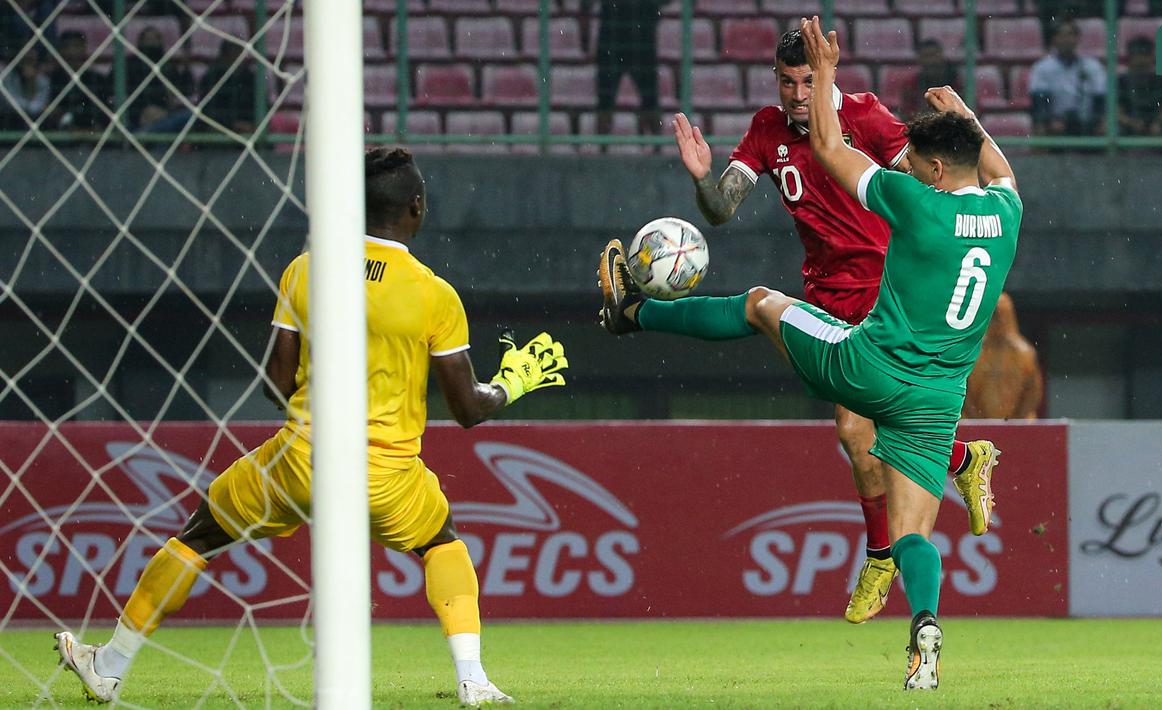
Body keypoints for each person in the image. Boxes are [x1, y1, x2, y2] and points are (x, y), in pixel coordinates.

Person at [54, 147, 568, 706]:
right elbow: (467, 409)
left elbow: (275, 385)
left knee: (200, 534)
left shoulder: (307, 269)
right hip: (388, 475)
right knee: (443, 546)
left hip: (301, 459)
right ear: (416, 209)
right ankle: (473, 679)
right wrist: (512, 383)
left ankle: (109, 665)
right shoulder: (433, 294)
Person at [603, 18, 1020, 689]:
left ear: (933, 170)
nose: (903, 162)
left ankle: (636, 313)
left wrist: (827, 78)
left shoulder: (911, 201)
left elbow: (829, 146)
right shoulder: (1007, 212)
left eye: (915, 160)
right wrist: (968, 116)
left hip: (869, 349)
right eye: (790, 81)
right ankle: (926, 629)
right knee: (916, 529)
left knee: (759, 306)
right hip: (937, 393)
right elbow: (999, 169)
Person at [581, 0, 669, 137]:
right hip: (621, 40)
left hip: (633, 40)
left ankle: (658, 147)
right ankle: (602, 149)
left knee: (649, 100)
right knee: (606, 101)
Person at [962, 293, 1042, 419]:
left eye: (998, 316)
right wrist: (979, 422)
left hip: (1017, 425)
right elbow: (965, 392)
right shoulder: (973, 352)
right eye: (991, 316)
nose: (994, 322)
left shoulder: (1024, 353)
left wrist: (1015, 423)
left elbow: (1033, 393)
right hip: (975, 423)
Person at [1028, 19, 1106, 136]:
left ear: (1077, 39)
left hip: (1088, 125)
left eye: (1070, 35)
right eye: (1061, 35)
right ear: (1054, 39)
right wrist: (1049, 121)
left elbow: (1100, 98)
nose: (1066, 40)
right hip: (1055, 125)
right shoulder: (1042, 68)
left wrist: (1098, 122)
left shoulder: (1092, 66)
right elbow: (1039, 102)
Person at [112, 26, 196, 132]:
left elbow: (185, 91)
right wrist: (142, 113)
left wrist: (186, 68)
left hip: (164, 119)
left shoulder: (167, 66)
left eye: (155, 40)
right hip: (135, 121)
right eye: (148, 40)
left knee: (188, 116)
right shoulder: (128, 65)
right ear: (139, 42)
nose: (151, 44)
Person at [47, 31, 112, 131]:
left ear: (84, 48)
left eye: (77, 46)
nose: (73, 51)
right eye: (68, 46)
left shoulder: (97, 79)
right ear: (61, 50)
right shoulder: (52, 79)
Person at [1118, 37, 1162, 137]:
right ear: (1130, 58)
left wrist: (1158, 123)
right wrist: (1131, 123)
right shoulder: (1121, 81)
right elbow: (1117, 111)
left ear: (1152, 57)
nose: (1141, 60)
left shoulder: (1161, 80)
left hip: (1156, 125)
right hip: (1127, 125)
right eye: (1137, 55)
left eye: (1145, 55)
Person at [199, 43, 256, 134]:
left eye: (240, 54)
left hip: (246, 131)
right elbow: (206, 113)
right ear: (224, 56)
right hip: (217, 130)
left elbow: (260, 109)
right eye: (233, 54)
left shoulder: (250, 78)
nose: (237, 59)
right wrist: (232, 124)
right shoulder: (212, 77)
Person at [899, 38, 959, 118]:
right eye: (926, 56)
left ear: (941, 56)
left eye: (934, 55)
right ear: (920, 59)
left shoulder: (956, 81)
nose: (931, 61)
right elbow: (907, 113)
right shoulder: (911, 84)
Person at [0, 51, 51, 132]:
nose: (27, 66)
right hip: (11, 121)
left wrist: (31, 83)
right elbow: (13, 104)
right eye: (24, 61)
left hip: (38, 123)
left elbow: (36, 107)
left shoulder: (43, 81)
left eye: (30, 61)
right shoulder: (10, 78)